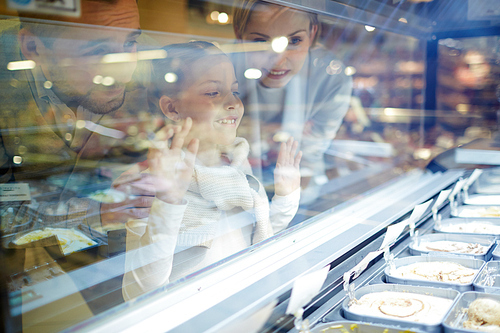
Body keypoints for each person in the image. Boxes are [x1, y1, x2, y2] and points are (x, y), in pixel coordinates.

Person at [122, 42, 302, 300]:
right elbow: (139, 291)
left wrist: (285, 200)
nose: (232, 103)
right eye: (213, 93)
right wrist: (168, 202)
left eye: (235, 91)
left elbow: (256, 241)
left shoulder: (237, 165)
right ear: (172, 108)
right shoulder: (153, 179)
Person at [0, 0, 154, 228]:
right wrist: (92, 211)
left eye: (130, 43)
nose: (125, 71)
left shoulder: (152, 67)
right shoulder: (6, 88)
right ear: (33, 47)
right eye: (98, 50)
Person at [231, 0, 353, 203]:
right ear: (238, 34)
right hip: (232, 197)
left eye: (294, 41)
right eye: (261, 42)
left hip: (299, 194)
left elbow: (309, 154)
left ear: (312, 33)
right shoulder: (222, 70)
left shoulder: (331, 77)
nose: (278, 60)